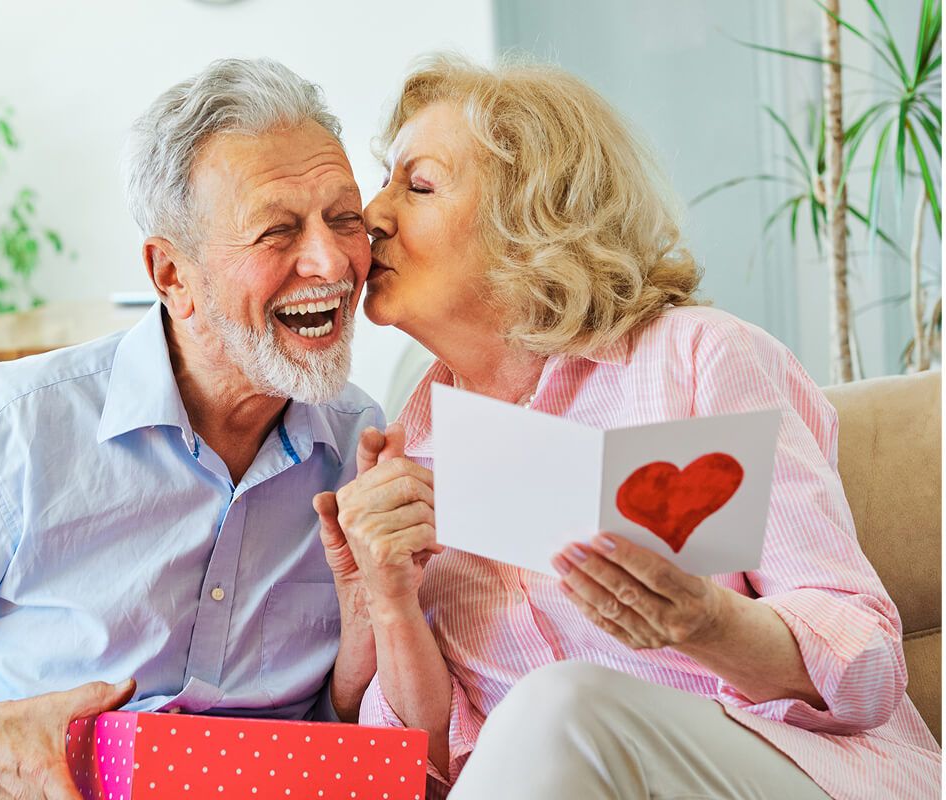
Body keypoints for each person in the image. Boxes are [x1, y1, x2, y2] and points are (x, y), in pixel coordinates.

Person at [317, 54, 941, 799]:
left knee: (560, 704)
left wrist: (707, 623)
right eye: (385, 181)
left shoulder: (698, 359)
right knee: (547, 715)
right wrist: (389, 602)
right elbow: (431, 772)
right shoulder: (411, 446)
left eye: (417, 185)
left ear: (532, 218)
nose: (374, 214)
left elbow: (866, 656)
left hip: (792, 774)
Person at [0, 58, 382, 800]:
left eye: (345, 218)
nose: (332, 259)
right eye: (277, 231)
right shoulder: (19, 431)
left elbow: (338, 731)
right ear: (172, 277)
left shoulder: (357, 446)